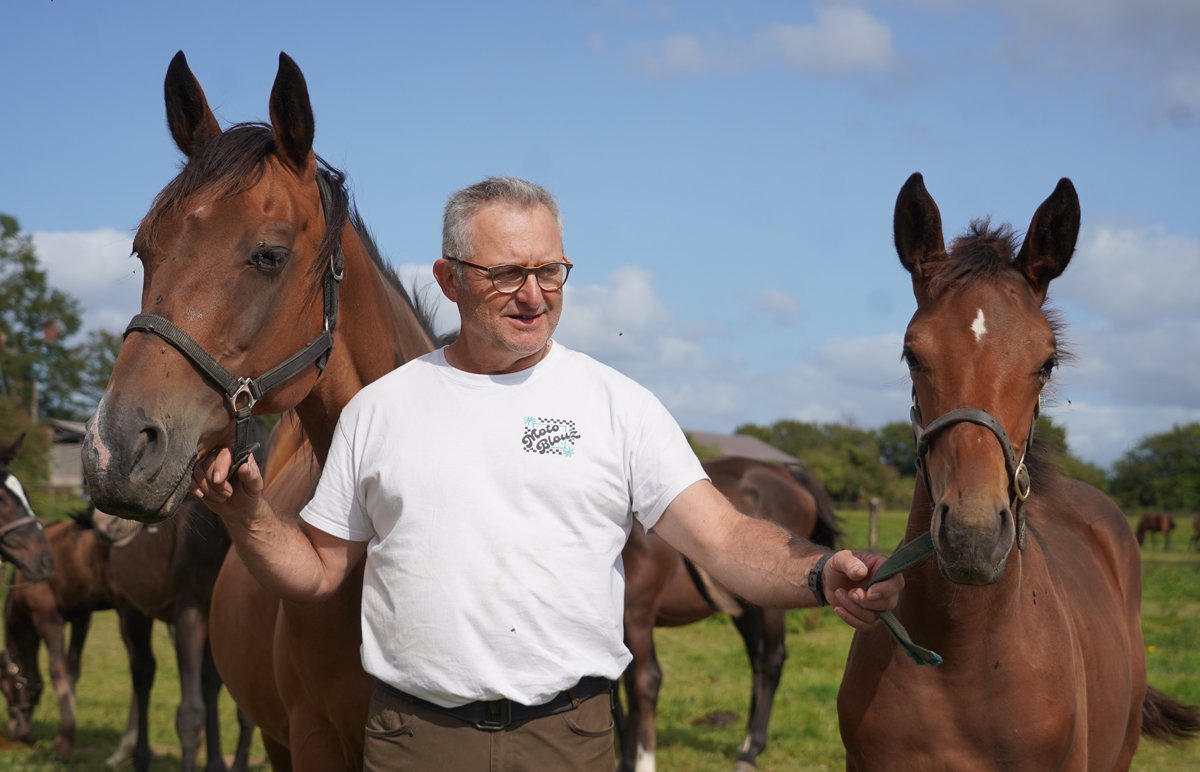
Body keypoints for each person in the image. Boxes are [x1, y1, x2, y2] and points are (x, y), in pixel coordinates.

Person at [192, 176, 904, 771]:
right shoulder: (380, 412)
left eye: (550, 272)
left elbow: (724, 539)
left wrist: (819, 572)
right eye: (506, 274)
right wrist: (247, 515)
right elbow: (317, 572)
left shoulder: (618, 406)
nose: (533, 295)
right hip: (416, 741)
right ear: (448, 279)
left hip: (571, 737)